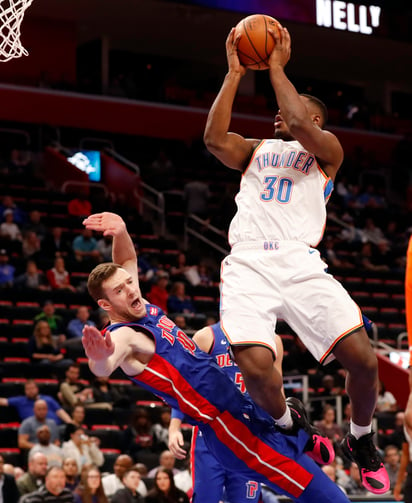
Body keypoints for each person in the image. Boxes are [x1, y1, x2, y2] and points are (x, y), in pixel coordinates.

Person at [202, 23, 388, 494]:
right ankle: (291, 425)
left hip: (301, 262)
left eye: (293, 110)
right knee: (256, 368)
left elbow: (301, 123)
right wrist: (234, 73)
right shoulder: (256, 150)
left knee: (365, 363)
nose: (278, 116)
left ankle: (361, 439)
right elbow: (212, 138)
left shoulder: (327, 152)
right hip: (247, 263)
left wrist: (278, 67)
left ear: (317, 119)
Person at [80, 211, 352, 503]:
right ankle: (301, 435)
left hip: (243, 410)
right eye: (120, 290)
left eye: (130, 283)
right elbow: (105, 367)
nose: (131, 288)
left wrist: (120, 232)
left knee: (299, 441)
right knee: (326, 496)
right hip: (226, 427)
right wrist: (98, 357)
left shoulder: (138, 303)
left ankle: (300, 433)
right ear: (105, 304)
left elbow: (127, 263)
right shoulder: (125, 336)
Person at [169, 321, 283, 503]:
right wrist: (174, 427)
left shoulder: (273, 340)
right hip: (211, 434)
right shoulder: (207, 336)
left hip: (250, 438)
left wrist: (283, 426)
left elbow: (276, 390)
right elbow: (184, 385)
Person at [0, 378, 72, 425]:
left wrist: (71, 424)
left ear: (37, 389)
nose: (30, 391)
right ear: (25, 391)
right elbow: (3, 401)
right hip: (34, 429)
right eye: (28, 389)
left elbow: (60, 412)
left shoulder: (48, 399)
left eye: (32, 388)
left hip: (55, 427)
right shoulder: (20, 400)